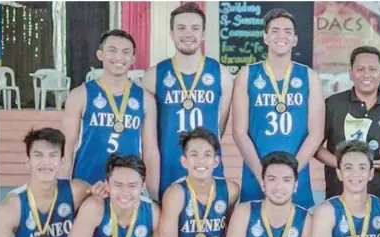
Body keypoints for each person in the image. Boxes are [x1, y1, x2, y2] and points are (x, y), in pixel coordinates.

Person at [232, 8, 324, 210]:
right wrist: (262, 175)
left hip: (297, 173)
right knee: (254, 234)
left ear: (295, 39)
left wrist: (291, 175)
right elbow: (239, 132)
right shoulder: (246, 75)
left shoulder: (309, 77)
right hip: (256, 174)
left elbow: (316, 132)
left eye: (287, 31)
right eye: (274, 30)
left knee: (298, 235)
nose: (281, 35)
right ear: (265, 37)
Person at [142, 3, 232, 197]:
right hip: (167, 170)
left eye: (195, 28)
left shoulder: (221, 74)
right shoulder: (153, 76)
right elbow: (148, 138)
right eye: (181, 28)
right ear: (172, 34)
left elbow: (219, 126)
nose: (188, 34)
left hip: (207, 169)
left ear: (203, 34)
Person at [61, 29, 160, 200]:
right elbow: (67, 147)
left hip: (126, 191)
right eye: (112, 50)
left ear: (133, 59)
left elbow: (150, 151)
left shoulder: (145, 99)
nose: (119, 57)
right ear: (100, 54)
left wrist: (153, 196)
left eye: (126, 52)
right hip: (87, 186)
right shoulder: (80, 95)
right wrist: (62, 191)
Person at [316, 46, 380, 211]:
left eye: (372, 69)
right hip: (337, 196)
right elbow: (315, 147)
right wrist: (341, 164)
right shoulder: (332, 105)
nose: (366, 74)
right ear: (351, 73)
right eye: (360, 69)